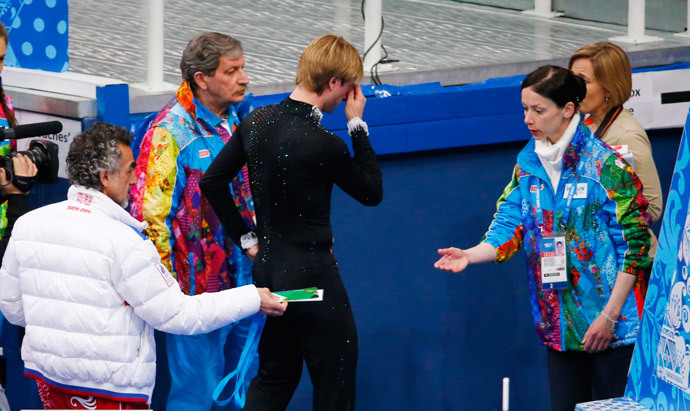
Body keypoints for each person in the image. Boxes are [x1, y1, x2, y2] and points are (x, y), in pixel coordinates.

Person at [0, 122, 286, 410]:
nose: (136, 178)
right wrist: (252, 298)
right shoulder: (125, 241)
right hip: (112, 392)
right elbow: (178, 316)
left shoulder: (28, 224)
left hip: (49, 380)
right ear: (105, 177)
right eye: (129, 169)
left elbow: (12, 308)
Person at [434, 66, 650, 411]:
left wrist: (609, 317)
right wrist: (469, 255)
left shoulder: (607, 168)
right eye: (524, 109)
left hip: (613, 330)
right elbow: (510, 223)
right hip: (559, 329)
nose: (527, 119)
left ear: (568, 109)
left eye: (538, 110)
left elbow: (635, 248)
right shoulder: (528, 164)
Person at [200, 34, 383, 410]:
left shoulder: (256, 122)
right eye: (349, 87)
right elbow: (371, 192)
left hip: (270, 276)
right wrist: (357, 125)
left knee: (274, 377)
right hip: (313, 282)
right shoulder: (322, 143)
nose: (350, 96)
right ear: (334, 83)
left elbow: (212, 182)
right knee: (336, 380)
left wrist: (247, 240)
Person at [129, 32, 257, 410]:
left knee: (242, 389)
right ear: (201, 79)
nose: (244, 78)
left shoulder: (239, 119)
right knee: (197, 396)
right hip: (195, 296)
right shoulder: (169, 133)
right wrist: (168, 296)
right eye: (232, 71)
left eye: (243, 68)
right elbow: (150, 220)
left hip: (246, 283)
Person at [569, 42, 662, 264]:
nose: (572, 88)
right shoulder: (586, 125)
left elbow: (652, 206)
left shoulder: (626, 134)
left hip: (632, 264)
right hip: (600, 261)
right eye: (571, 78)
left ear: (608, 89)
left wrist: (599, 220)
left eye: (582, 81)